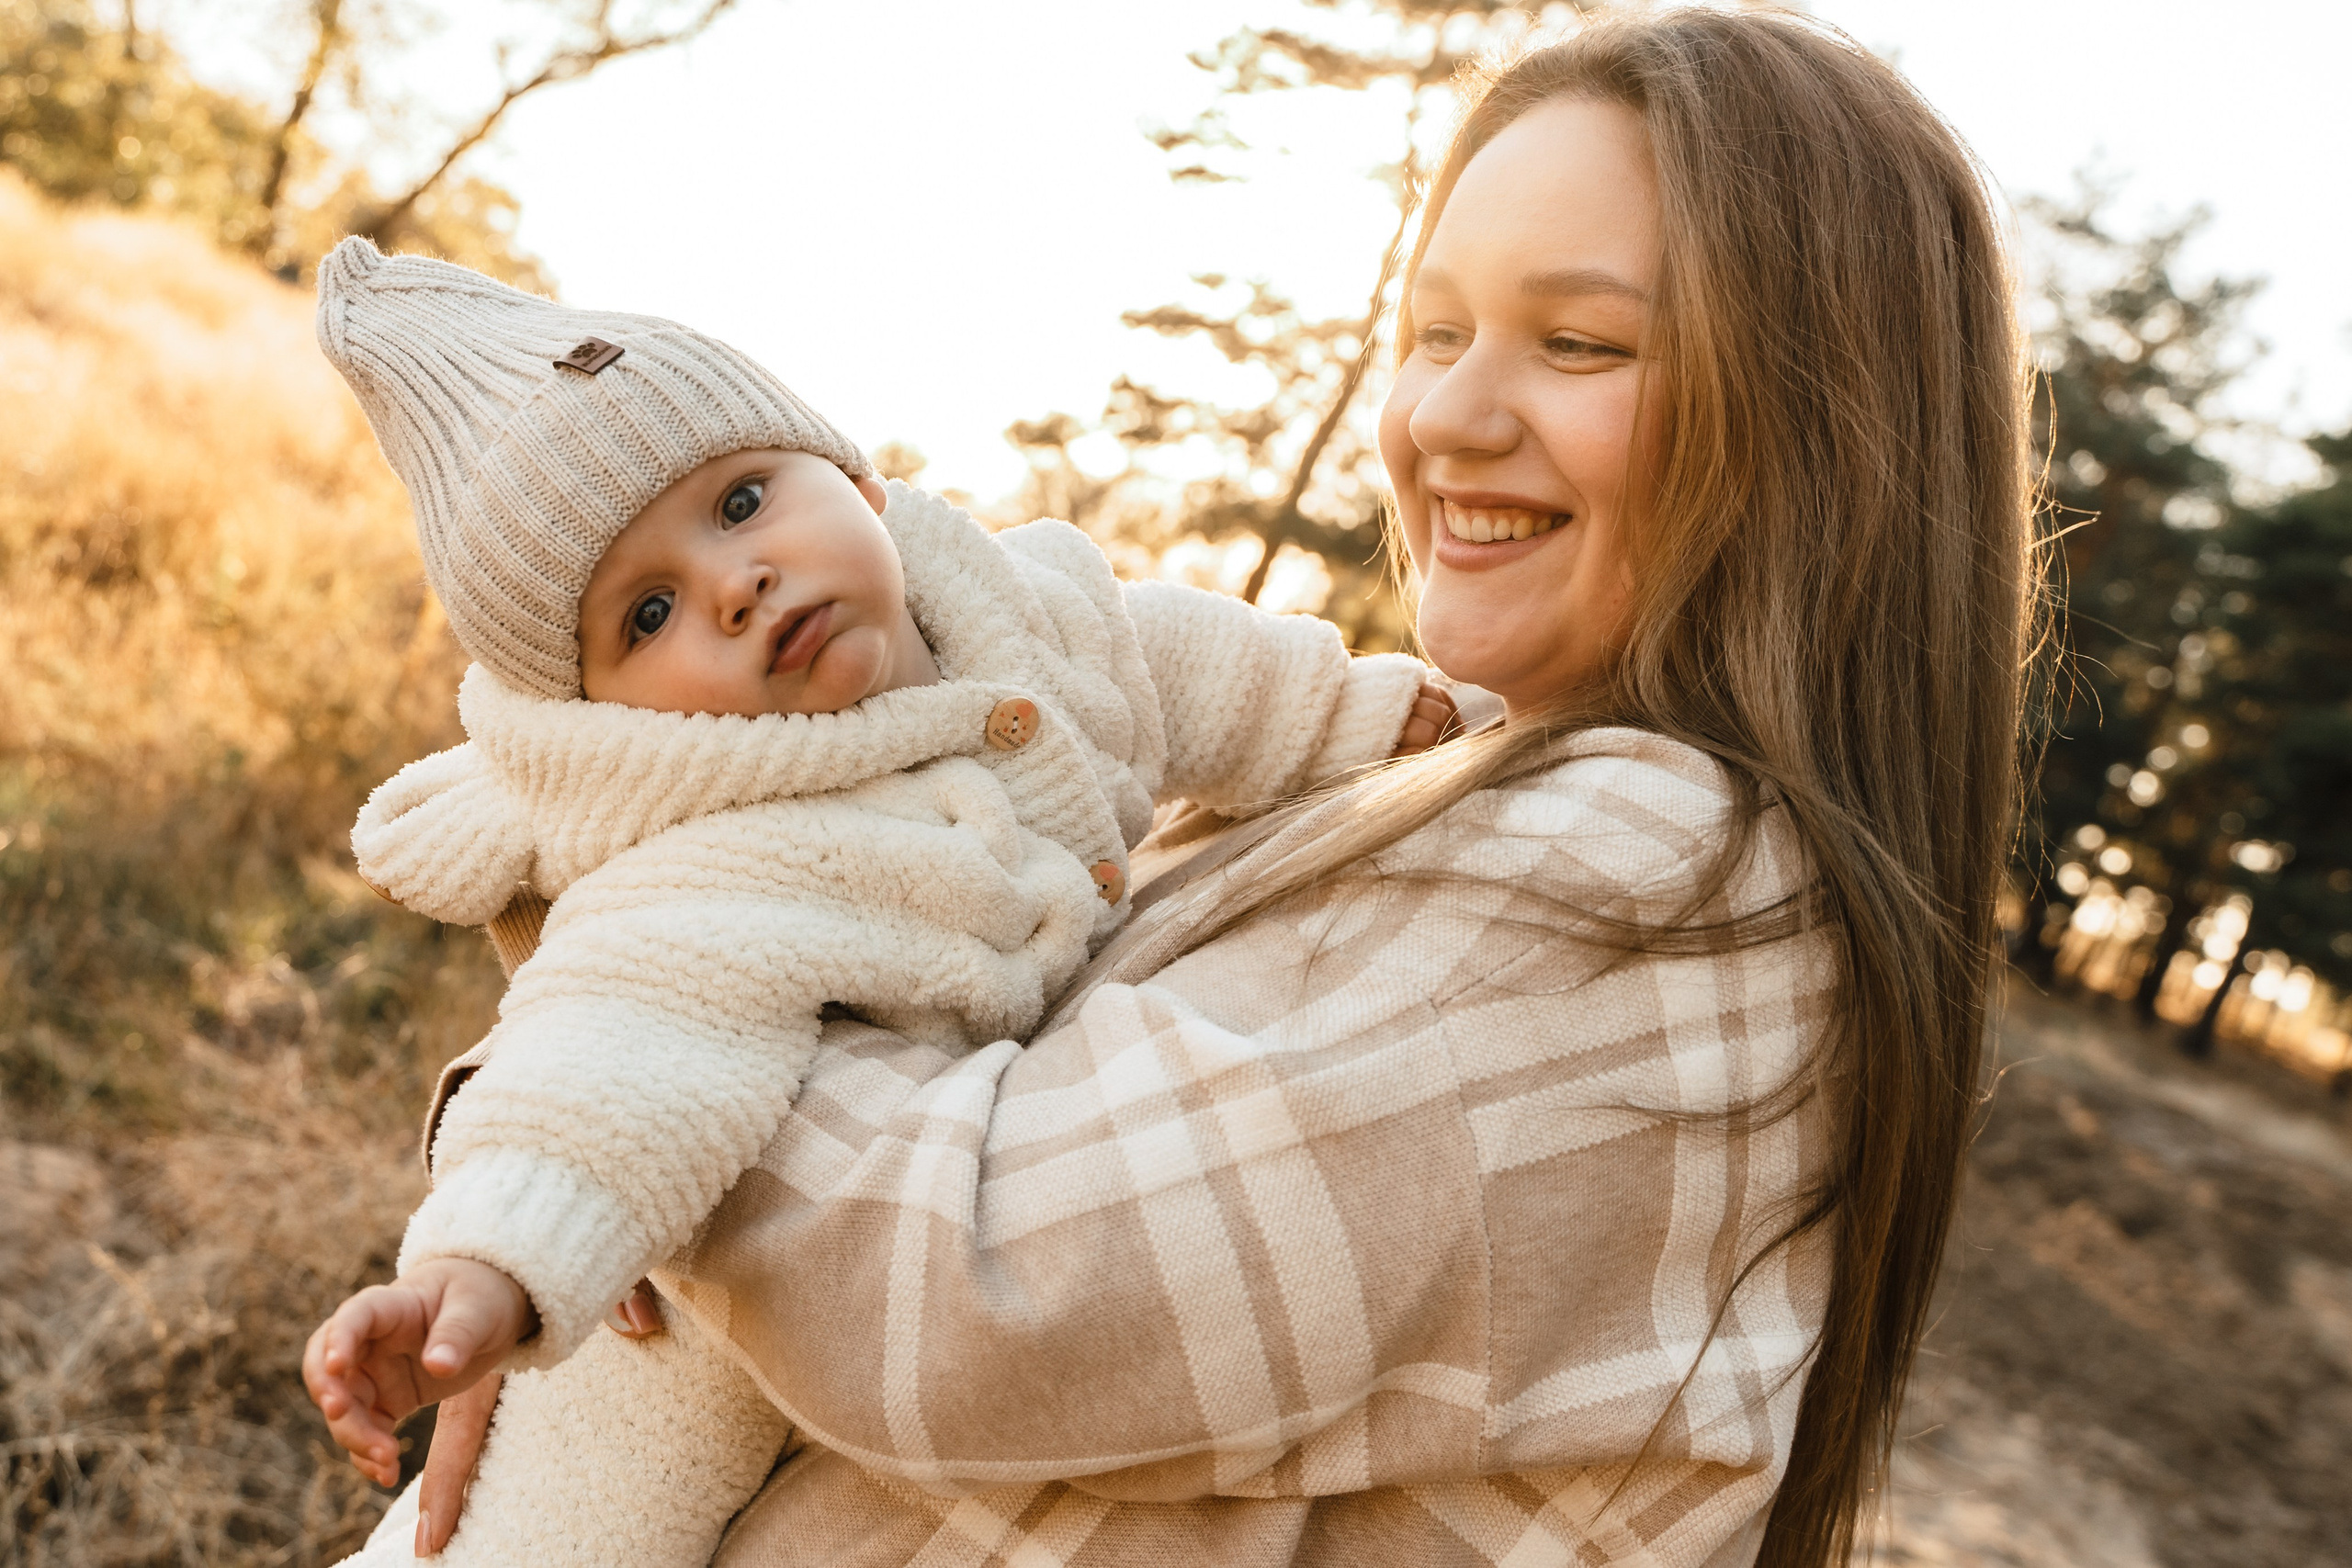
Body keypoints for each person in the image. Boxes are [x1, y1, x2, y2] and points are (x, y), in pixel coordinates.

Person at [409, 7, 2037, 1563]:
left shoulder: (1667, 868)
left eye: (1580, 343)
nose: (1445, 417)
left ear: (1829, 434)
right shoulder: (1465, 786)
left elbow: (964, 1291)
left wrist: (591, 1128)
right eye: (1437, 332)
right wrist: (553, 1172)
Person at [296, 238, 1454, 1564]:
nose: (736, 586)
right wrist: (483, 1271)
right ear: (607, 715)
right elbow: (614, 1038)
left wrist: (1359, 710)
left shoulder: (1041, 612)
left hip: (971, 1222)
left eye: (739, 504)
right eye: (650, 611)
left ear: (853, 477)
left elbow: (1194, 670)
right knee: (562, 1522)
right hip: (701, 1265)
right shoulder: (723, 845)